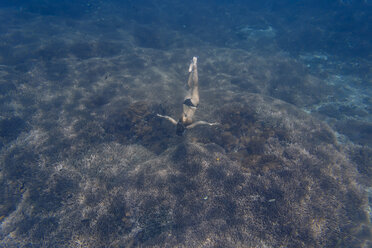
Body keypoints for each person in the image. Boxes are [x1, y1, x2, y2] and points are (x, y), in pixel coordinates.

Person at [157, 57, 219, 136]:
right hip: (185, 102)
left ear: (183, 131)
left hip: (193, 105)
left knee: (195, 86)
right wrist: (161, 116)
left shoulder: (188, 127)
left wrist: (210, 124)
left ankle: (195, 64)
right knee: (190, 87)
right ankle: (190, 71)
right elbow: (168, 118)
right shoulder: (177, 123)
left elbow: (199, 122)